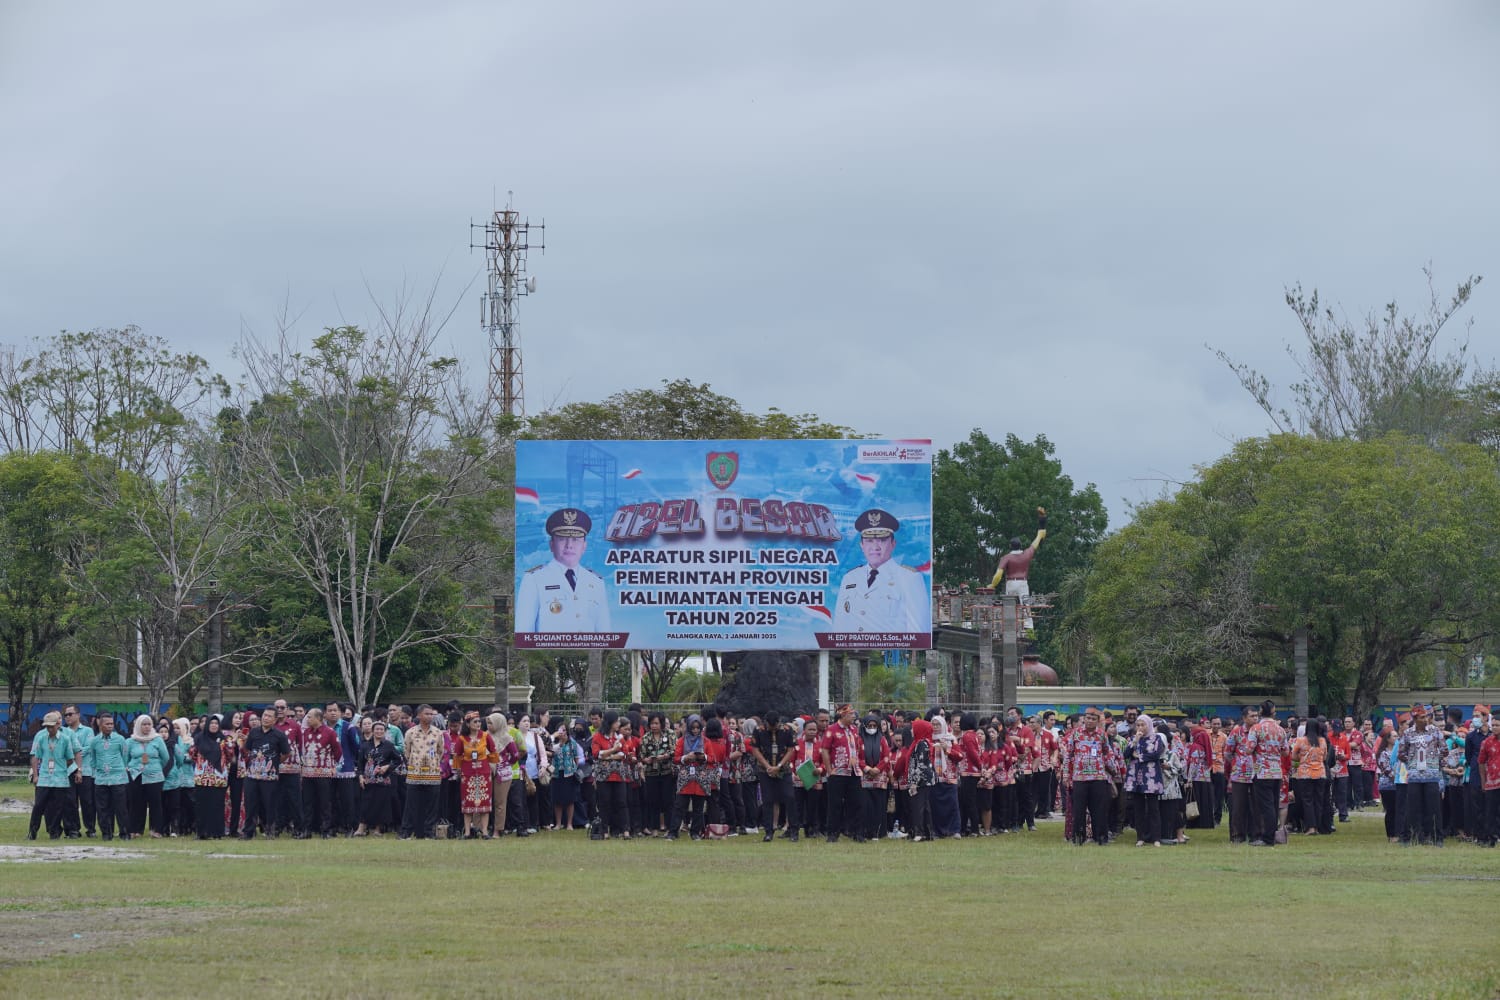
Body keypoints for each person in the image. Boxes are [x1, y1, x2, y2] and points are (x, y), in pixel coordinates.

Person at [831, 509, 928, 634]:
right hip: (853, 651)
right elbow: (839, 626)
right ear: (862, 545)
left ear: (893, 544)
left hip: (891, 650)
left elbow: (919, 631)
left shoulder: (909, 578)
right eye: (869, 541)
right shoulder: (850, 578)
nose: (875, 547)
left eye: (882, 540)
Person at [515, 507, 610, 632]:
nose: (569, 545)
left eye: (575, 540)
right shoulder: (534, 579)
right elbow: (524, 633)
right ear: (551, 544)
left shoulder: (596, 581)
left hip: (589, 651)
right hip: (548, 651)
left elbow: (605, 633)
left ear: (584, 546)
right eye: (562, 539)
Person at [1061, 707, 1119, 846]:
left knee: (1099, 809)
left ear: (1097, 721)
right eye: (1087, 718)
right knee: (1079, 810)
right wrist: (1066, 774)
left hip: (1098, 777)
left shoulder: (1101, 734)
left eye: (1093, 719)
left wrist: (1112, 770)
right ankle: (1078, 838)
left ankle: (1101, 838)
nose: (1090, 721)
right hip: (1079, 778)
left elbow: (1108, 753)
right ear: (1084, 719)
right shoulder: (1075, 734)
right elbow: (1068, 755)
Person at [987, 506, 1047, 632]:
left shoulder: (1006, 558)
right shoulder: (1026, 554)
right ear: (1020, 545)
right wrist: (1041, 527)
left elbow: (998, 575)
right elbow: (1036, 541)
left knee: (1010, 605)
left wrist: (992, 585)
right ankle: (1029, 628)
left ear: (1010, 546)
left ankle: (1010, 625)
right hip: (1023, 582)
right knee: (1026, 605)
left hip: (1010, 583)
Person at [28, 711, 82, 841]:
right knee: (39, 805)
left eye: (51, 726)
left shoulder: (65, 739)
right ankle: (32, 831)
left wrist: (74, 770)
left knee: (58, 807)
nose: (49, 729)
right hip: (45, 778)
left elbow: (70, 758)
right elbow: (36, 756)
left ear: (57, 725)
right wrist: (35, 775)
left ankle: (54, 832)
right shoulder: (41, 738)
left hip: (60, 779)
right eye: (47, 726)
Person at [241, 708, 290, 839]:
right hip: (252, 775)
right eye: (264, 715)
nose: (265, 718)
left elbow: (286, 753)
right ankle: (248, 832)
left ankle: (270, 831)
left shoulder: (279, 735)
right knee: (250, 804)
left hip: (270, 777)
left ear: (274, 720)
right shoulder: (254, 732)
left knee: (270, 805)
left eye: (269, 716)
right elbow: (247, 749)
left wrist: (273, 763)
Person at [1399, 704, 1444, 846]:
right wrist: (1412, 762)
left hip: (1431, 775)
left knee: (1434, 808)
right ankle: (1412, 837)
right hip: (1414, 776)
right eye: (1422, 717)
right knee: (1413, 808)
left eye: (1426, 716)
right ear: (1415, 718)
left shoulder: (1435, 731)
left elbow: (1444, 750)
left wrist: (1435, 763)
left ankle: (1437, 838)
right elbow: (1401, 753)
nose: (1425, 719)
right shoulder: (1408, 733)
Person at [750, 712, 798, 842]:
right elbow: (755, 750)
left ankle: (793, 830)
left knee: (789, 797)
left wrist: (779, 766)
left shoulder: (787, 730)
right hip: (765, 770)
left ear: (779, 722)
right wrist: (767, 766)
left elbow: (791, 749)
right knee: (768, 800)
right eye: (770, 726)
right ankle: (768, 831)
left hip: (784, 770)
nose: (773, 728)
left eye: (775, 725)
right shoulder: (758, 731)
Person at [819, 703, 863, 842]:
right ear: (843, 715)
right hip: (837, 773)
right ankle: (832, 833)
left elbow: (857, 748)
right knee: (835, 804)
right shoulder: (832, 729)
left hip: (854, 772)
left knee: (856, 803)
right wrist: (829, 769)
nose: (853, 716)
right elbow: (825, 750)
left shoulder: (854, 729)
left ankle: (856, 832)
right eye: (851, 714)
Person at [1246, 700, 1287, 847]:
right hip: (1277, 771)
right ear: (1274, 712)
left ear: (1261, 712)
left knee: (1266, 806)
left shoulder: (1256, 728)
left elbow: (1249, 749)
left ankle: (1268, 838)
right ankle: (1273, 834)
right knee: (1275, 805)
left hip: (1262, 771)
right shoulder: (1280, 729)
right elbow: (1286, 751)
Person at [401, 705, 444, 840]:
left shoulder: (438, 733)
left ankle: (429, 832)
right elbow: (406, 751)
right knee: (411, 804)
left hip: (433, 773)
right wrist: (415, 762)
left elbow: (440, 751)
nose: (430, 716)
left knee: (432, 805)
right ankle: (407, 831)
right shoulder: (411, 732)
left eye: (431, 714)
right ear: (419, 715)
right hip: (415, 773)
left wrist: (433, 762)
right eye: (427, 714)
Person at [299, 707, 343, 839]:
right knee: (307, 803)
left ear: (318, 718)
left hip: (324, 773)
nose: (307, 719)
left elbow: (338, 751)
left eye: (310, 716)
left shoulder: (329, 732)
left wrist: (331, 765)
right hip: (307, 773)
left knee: (325, 803)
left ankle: (326, 830)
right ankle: (307, 830)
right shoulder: (305, 732)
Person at [86, 713, 131, 841]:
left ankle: (124, 833)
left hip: (118, 779)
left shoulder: (120, 739)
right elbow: (93, 759)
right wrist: (98, 772)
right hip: (101, 780)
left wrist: (120, 769)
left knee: (121, 808)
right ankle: (106, 833)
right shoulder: (94, 741)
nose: (110, 726)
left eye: (112, 724)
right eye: (107, 724)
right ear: (100, 724)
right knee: (102, 809)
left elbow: (125, 757)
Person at [124, 714, 171, 839]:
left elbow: (165, 757)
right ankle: (135, 830)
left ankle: (156, 830)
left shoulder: (157, 739)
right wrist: (131, 767)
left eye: (149, 724)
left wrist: (155, 767)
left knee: (155, 803)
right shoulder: (130, 741)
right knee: (136, 803)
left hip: (154, 775)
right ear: (138, 726)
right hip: (136, 775)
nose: (147, 727)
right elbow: (125, 759)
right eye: (144, 724)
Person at [453, 713, 498, 839]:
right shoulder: (462, 739)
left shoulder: (485, 736)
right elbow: (456, 755)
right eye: (475, 722)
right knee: (467, 803)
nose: (478, 724)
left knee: (484, 801)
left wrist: (488, 761)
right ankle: (467, 832)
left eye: (479, 721)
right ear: (467, 724)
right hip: (467, 774)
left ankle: (484, 832)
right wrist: (460, 769)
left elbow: (494, 751)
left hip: (483, 773)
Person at [354, 720, 401, 836]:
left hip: (382, 779)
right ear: (373, 731)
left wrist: (387, 767)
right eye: (377, 729)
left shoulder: (389, 745)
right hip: (367, 779)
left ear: (385, 732)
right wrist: (360, 777)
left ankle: (378, 829)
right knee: (365, 803)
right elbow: (360, 763)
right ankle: (361, 828)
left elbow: (398, 760)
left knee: (381, 804)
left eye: (381, 729)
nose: (379, 731)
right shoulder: (365, 745)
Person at [671, 715, 715, 840]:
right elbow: (676, 758)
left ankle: (695, 832)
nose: (695, 730)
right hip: (686, 778)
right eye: (693, 728)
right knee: (679, 806)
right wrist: (686, 758)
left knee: (698, 808)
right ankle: (673, 832)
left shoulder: (706, 741)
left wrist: (703, 757)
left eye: (697, 728)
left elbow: (712, 759)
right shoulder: (681, 741)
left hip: (700, 778)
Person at [190, 715, 232, 840]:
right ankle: (202, 832)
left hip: (219, 777)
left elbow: (230, 755)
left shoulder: (224, 740)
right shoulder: (198, 738)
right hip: (202, 777)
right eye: (211, 723)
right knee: (201, 806)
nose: (214, 725)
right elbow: (192, 753)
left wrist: (226, 746)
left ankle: (217, 832)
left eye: (216, 723)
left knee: (217, 806)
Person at [1125, 715, 1164, 847]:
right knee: (1139, 808)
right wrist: (1135, 740)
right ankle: (1140, 837)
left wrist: (1139, 756)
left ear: (1149, 725)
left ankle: (1156, 838)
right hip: (1136, 776)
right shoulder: (1134, 739)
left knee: (1154, 809)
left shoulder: (1156, 738)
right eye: (1138, 725)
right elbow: (1126, 754)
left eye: (1143, 725)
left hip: (1151, 777)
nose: (1140, 728)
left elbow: (1156, 754)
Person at [640, 712, 675, 836]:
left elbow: (674, 750)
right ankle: (654, 828)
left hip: (667, 772)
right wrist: (646, 760)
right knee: (653, 802)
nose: (654, 726)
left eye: (656, 723)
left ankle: (669, 828)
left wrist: (665, 756)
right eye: (652, 723)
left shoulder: (670, 734)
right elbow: (642, 756)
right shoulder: (645, 737)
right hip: (651, 773)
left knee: (668, 801)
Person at [62, 705, 94, 837]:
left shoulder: (87, 731)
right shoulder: (63, 732)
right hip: (68, 770)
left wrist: (74, 753)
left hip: (84, 770)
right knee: (70, 801)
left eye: (70, 714)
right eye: (66, 715)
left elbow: (87, 749)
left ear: (78, 715)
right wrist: (74, 753)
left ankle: (90, 828)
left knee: (87, 801)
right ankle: (73, 829)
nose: (68, 717)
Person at [1373, 722, 1404, 843]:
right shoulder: (1383, 753)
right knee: (1391, 810)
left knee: (1399, 810)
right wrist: (1397, 779)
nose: (1397, 738)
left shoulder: (1399, 751)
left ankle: (1399, 833)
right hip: (1388, 786)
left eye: (1397, 736)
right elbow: (1386, 769)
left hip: (1399, 784)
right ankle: (1391, 835)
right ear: (1388, 739)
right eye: (1394, 736)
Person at [1477, 715, 1500, 848]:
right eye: (1494, 725)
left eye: (1498, 725)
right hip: (1491, 782)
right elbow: (1481, 762)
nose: (1495, 728)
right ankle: (1490, 838)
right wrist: (1483, 781)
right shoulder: (1486, 742)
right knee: (1490, 811)